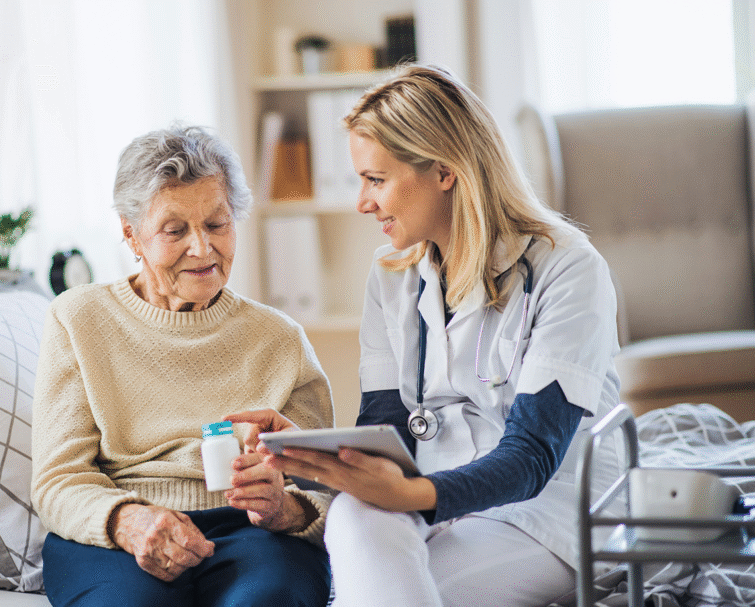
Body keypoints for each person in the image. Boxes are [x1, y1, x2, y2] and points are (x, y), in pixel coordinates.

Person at [229, 64, 626, 606]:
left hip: (546, 510)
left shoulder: (567, 269)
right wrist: (313, 455)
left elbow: (532, 457)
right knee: (353, 514)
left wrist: (412, 494)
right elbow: (388, 431)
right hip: (429, 500)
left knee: (400, 591)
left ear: (444, 171)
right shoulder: (391, 275)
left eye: (376, 180)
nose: (362, 202)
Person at [29, 124, 334, 607]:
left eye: (217, 224)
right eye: (175, 231)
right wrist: (128, 521)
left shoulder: (280, 339)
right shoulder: (78, 319)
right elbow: (58, 480)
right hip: (120, 528)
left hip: (251, 529)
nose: (202, 248)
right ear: (131, 235)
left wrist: (285, 508)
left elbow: (324, 489)